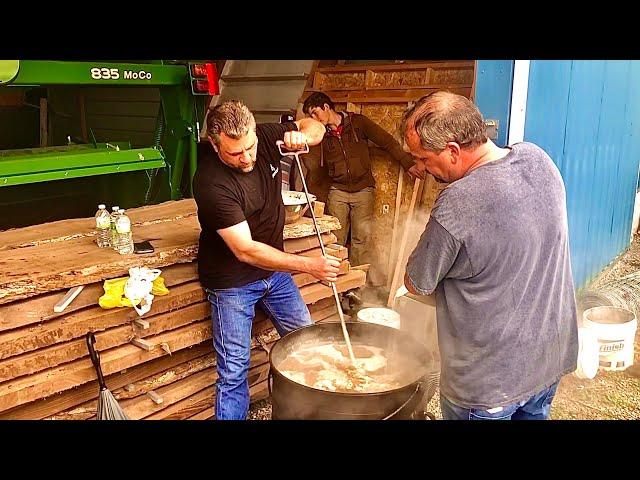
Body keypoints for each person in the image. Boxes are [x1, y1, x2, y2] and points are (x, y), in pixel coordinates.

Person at [400, 91, 578, 420]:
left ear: (452, 151)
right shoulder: (537, 159)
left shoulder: (457, 202)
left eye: (424, 159)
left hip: (487, 384)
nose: (422, 169)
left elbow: (416, 282)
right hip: (548, 360)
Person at [193, 100, 340, 420]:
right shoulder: (210, 183)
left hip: (273, 272)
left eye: (250, 147)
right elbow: (245, 250)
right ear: (215, 145)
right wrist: (310, 266)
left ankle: (313, 412)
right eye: (235, 153)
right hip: (232, 282)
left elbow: (314, 126)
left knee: (306, 339)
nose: (246, 158)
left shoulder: (266, 136)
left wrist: (304, 136)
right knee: (234, 370)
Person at [301, 92, 422, 288]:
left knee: (361, 240)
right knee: (335, 239)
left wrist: (408, 164)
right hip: (338, 191)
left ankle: (356, 286)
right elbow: (315, 168)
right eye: (309, 116)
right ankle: (336, 285)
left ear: (325, 107)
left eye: (314, 114)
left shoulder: (358, 123)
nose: (313, 120)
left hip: (363, 190)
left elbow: (387, 141)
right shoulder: (321, 135)